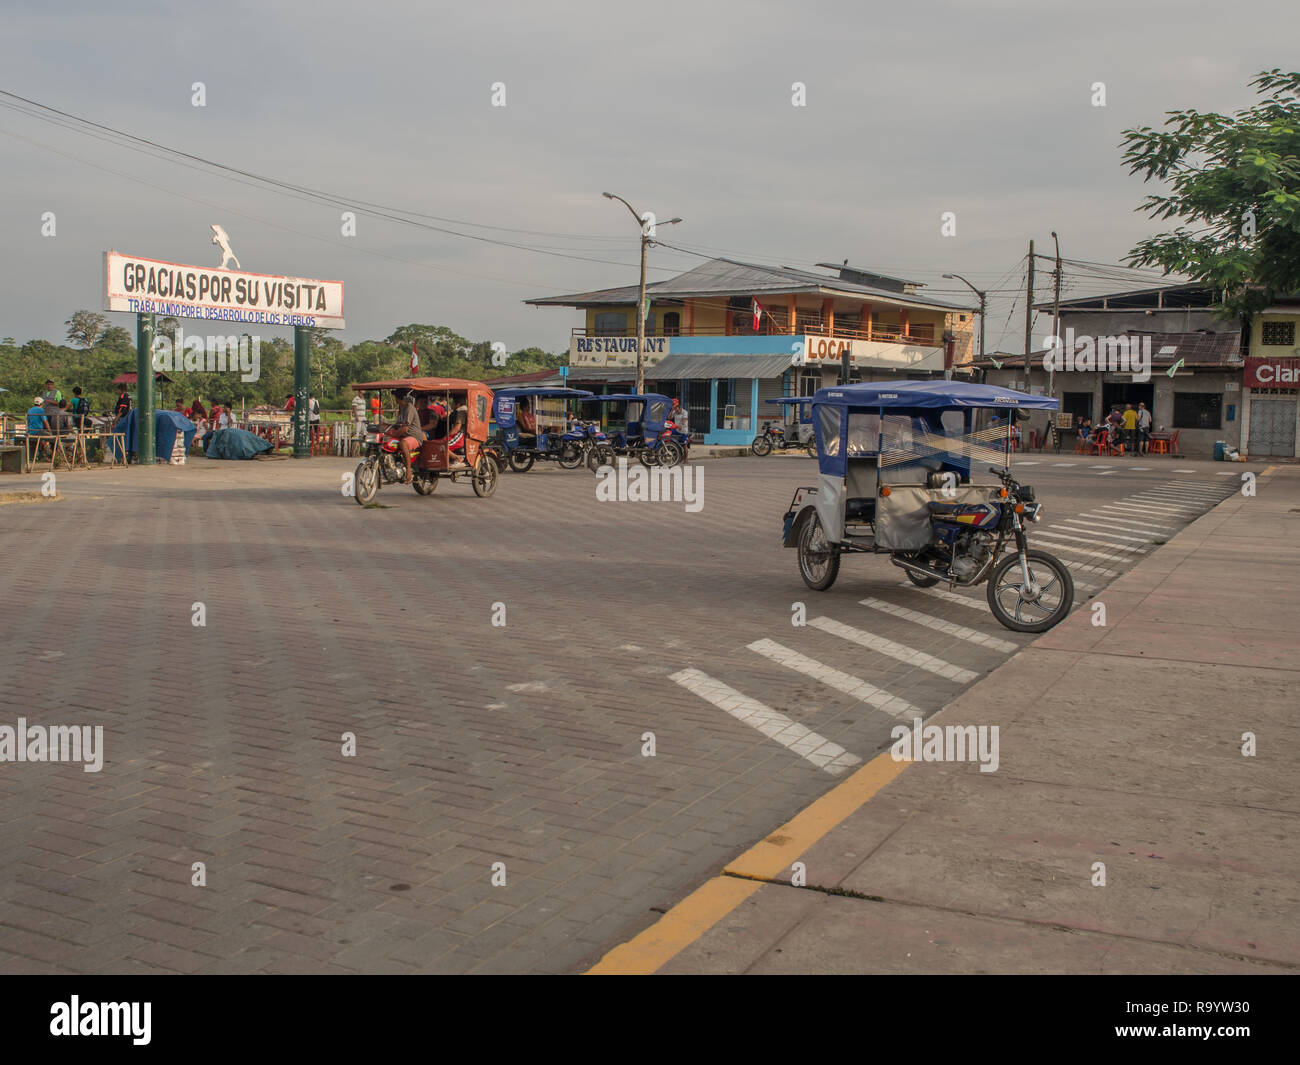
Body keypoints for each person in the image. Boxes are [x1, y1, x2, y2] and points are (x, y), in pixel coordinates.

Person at [389, 389, 426, 483]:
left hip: (414, 436)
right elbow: (397, 424)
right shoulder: (401, 408)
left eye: (395, 397)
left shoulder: (409, 407)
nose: (395, 399)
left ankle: (408, 471)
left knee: (403, 444)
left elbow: (405, 428)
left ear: (398, 398)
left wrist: (394, 434)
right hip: (405, 435)